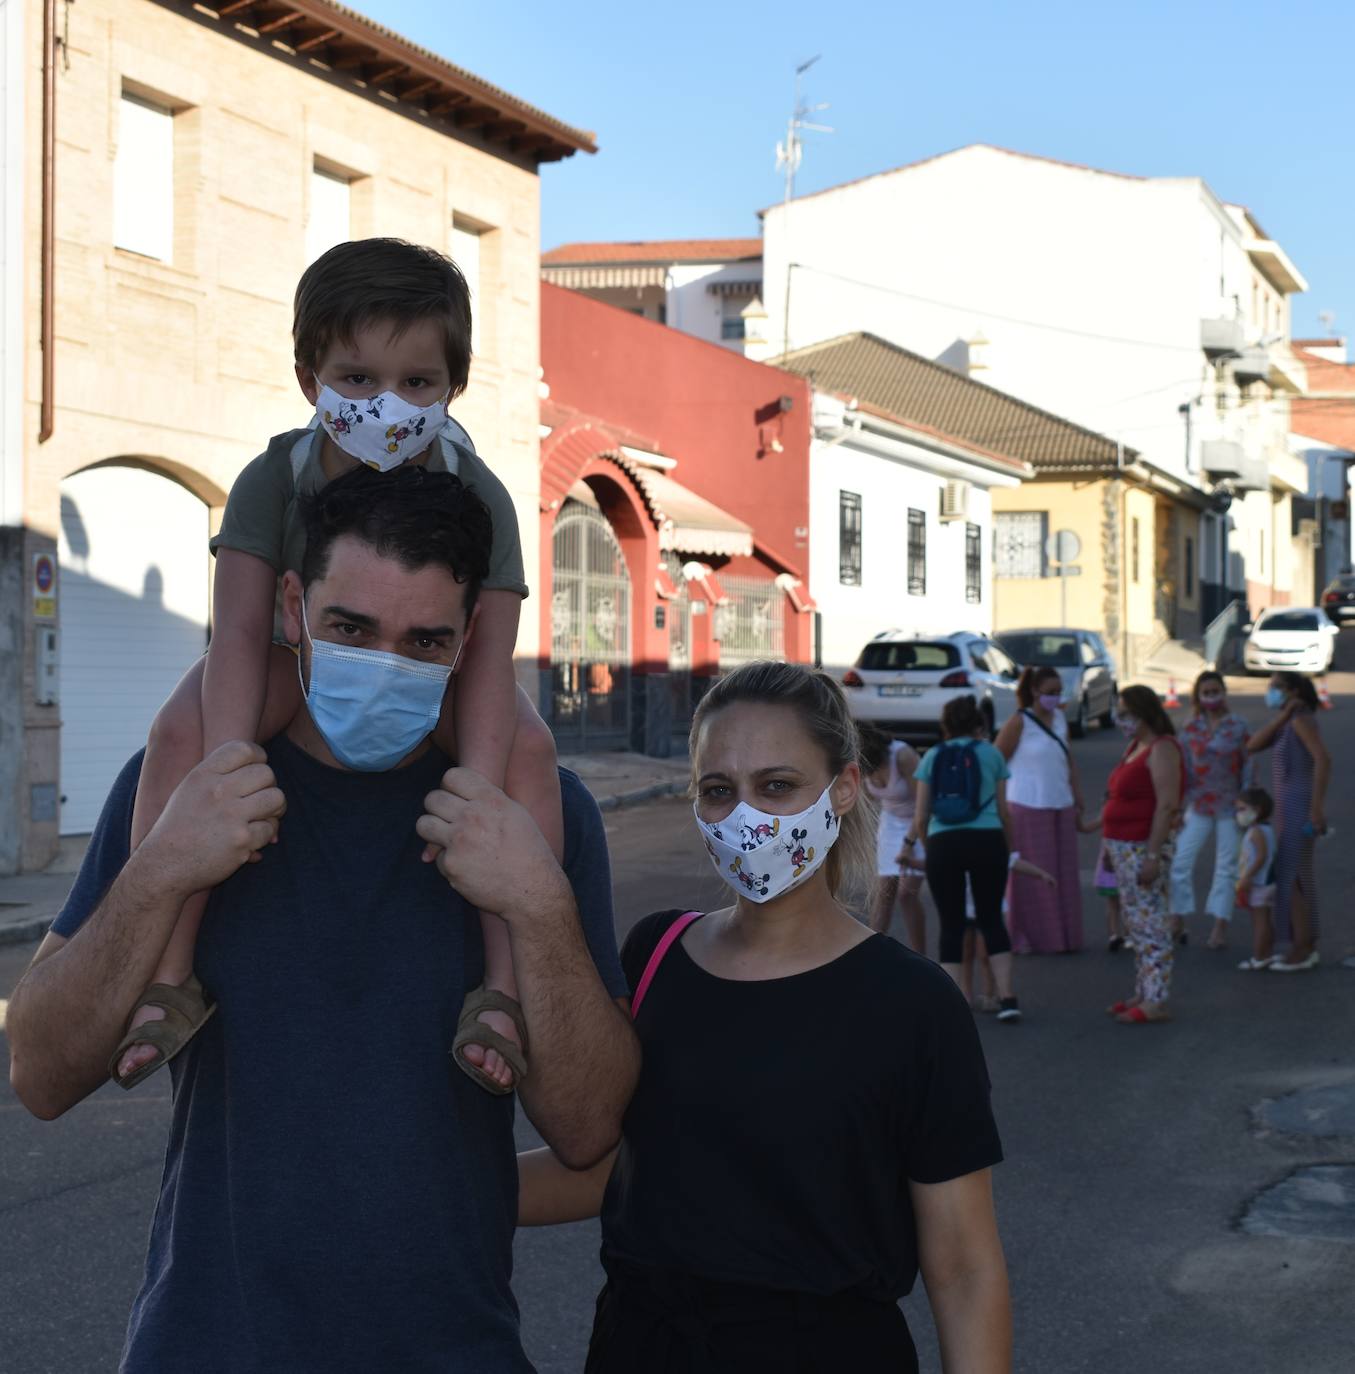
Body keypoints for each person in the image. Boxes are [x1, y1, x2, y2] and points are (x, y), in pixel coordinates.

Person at [6, 468, 640, 1372]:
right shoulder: (193, 790)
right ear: (294, 607)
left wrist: (534, 902)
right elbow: (41, 1073)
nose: (383, 666)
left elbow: (586, 1130)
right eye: (351, 630)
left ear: (467, 644)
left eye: (423, 641)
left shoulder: (534, 814)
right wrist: (161, 871)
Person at [112, 237, 553, 1095]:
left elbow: (489, 661)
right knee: (178, 728)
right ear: (308, 374)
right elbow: (238, 635)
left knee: (528, 759)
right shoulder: (273, 477)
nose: (386, 405)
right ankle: (168, 973)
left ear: (453, 386)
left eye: (417, 384)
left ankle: (501, 990)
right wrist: (226, 771)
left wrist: (482, 791)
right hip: (293, 659)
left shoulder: (483, 493)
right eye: (355, 380)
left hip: (441, 674)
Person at [517, 663, 1012, 1373]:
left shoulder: (911, 1002)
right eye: (719, 791)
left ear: (843, 788)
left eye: (776, 786)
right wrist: (438, 1185)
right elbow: (618, 1168)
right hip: (642, 1346)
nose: (746, 817)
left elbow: (963, 1265)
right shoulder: (655, 952)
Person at [906, 694, 1022, 1022]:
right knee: (990, 919)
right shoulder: (992, 754)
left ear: (946, 724)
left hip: (944, 843)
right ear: (978, 723)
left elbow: (921, 815)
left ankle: (953, 1004)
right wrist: (1008, 847)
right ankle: (1007, 997)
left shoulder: (932, 757)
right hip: (988, 840)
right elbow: (1004, 810)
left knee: (951, 924)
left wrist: (931, 849)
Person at [1081, 685, 1182, 1025]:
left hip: (1143, 846)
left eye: (1126, 713)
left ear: (1143, 712)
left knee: (1151, 924)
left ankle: (1157, 999)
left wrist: (1153, 855)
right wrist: (1101, 833)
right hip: (1123, 847)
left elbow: (1166, 804)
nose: (1120, 719)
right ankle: (1144, 990)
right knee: (1136, 925)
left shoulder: (1162, 748)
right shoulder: (1134, 747)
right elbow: (1116, 799)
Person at [994, 666, 1085, 953]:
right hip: (1027, 805)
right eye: (1050, 693)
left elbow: (1067, 759)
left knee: (1064, 875)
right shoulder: (1020, 722)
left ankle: (1063, 938)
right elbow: (996, 762)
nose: (1055, 698)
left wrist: (1077, 794)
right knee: (1033, 877)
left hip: (1061, 803)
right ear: (1034, 692)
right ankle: (1029, 938)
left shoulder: (1059, 718)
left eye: (1059, 693)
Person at [1246, 672, 1331, 972]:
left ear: (1294, 691)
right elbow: (1253, 745)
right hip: (1288, 804)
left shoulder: (1301, 720)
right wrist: (1282, 716)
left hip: (1299, 803)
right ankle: (1305, 943)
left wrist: (1316, 807)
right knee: (1296, 875)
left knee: (1292, 876)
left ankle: (1303, 948)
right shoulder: (1288, 721)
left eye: (1276, 687)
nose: (1270, 691)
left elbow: (1323, 759)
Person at [1168, 671, 1250, 951]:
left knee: (1226, 868)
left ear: (1224, 692)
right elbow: (1182, 769)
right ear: (1198, 697)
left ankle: (1219, 927)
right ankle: (1178, 919)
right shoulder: (1190, 727)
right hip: (1198, 804)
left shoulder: (1238, 726)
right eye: (1207, 692)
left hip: (1230, 805)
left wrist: (1249, 801)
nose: (1212, 697)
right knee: (1179, 862)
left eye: (1216, 691)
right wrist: (1177, 807)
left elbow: (1248, 764)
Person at [858, 722, 925, 948]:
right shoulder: (862, 764)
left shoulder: (903, 755)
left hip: (917, 822)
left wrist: (909, 843)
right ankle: (872, 953)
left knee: (908, 893)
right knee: (884, 892)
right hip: (890, 823)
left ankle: (920, 955)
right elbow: (865, 802)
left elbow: (923, 806)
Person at [1233, 786, 1278, 971]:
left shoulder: (1257, 832)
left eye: (1242, 809)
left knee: (1259, 922)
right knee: (1265, 920)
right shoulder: (1265, 829)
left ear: (1257, 810)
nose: (1238, 814)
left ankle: (1259, 957)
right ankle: (1267, 953)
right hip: (1266, 882)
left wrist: (1246, 877)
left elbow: (1261, 857)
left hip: (1259, 883)